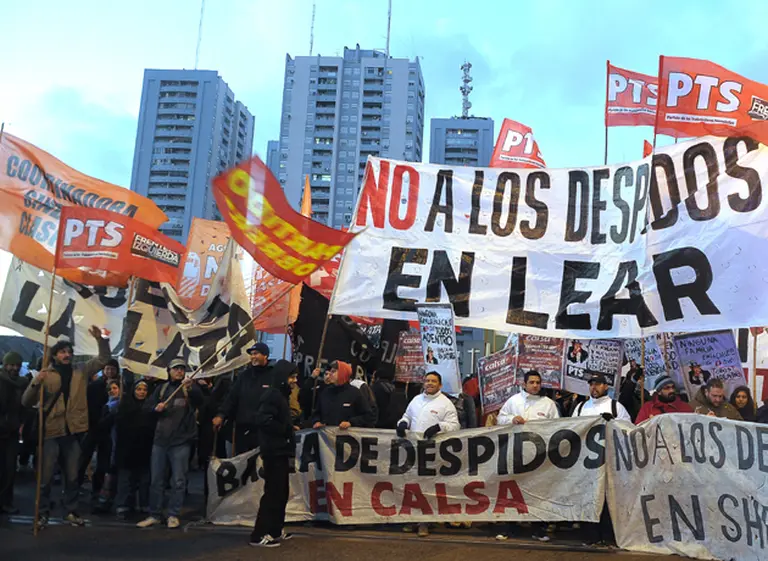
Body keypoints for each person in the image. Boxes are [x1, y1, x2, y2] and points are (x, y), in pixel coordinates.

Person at [21, 326, 111, 529]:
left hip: (73, 432)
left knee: (72, 477)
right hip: (51, 431)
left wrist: (101, 339)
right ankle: (42, 513)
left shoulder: (81, 370)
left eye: (69, 352)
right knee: (45, 478)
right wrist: (36, 382)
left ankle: (70, 511)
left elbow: (104, 359)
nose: (67, 355)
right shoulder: (46, 374)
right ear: (54, 355)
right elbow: (26, 402)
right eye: (62, 352)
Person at [137, 358, 203, 529]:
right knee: (156, 480)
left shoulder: (189, 389)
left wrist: (192, 388)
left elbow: (201, 402)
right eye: (176, 369)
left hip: (181, 442)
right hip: (160, 441)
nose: (179, 372)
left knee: (178, 481)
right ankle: (155, 514)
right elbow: (146, 409)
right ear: (169, 371)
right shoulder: (161, 388)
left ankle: (173, 514)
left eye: (182, 369)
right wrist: (155, 409)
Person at [496, 370, 559, 542]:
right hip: (514, 453)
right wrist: (511, 419)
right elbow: (499, 419)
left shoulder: (549, 404)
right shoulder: (513, 401)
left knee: (538, 491)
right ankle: (510, 527)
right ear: (524, 384)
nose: (535, 385)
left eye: (538, 382)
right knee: (513, 490)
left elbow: (557, 427)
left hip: (539, 456)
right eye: (531, 382)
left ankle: (539, 528)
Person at [397, 372, 460, 537]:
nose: (429, 383)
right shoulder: (416, 400)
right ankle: (412, 519)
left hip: (434, 451)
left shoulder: (446, 404)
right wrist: (403, 423)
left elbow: (455, 425)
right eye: (427, 380)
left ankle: (425, 521)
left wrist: (439, 427)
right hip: (414, 449)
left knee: (428, 486)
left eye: (433, 381)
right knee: (412, 484)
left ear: (440, 385)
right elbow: (407, 416)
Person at [249, 360, 298, 548]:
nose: (294, 381)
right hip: (274, 450)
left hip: (280, 449)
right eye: (291, 376)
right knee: (273, 493)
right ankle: (259, 533)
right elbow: (263, 419)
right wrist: (284, 430)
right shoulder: (273, 395)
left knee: (281, 492)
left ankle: (275, 529)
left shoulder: (280, 395)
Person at [213, 343, 274, 455]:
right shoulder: (244, 376)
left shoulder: (273, 375)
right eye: (251, 354)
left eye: (256, 353)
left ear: (265, 355)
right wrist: (221, 415)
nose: (253, 357)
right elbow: (231, 397)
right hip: (243, 431)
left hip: (265, 431)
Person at [79, 358, 121, 508]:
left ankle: (97, 491)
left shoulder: (120, 386)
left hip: (108, 432)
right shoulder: (95, 386)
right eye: (107, 369)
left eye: (112, 369)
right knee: (83, 460)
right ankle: (74, 488)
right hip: (93, 427)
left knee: (103, 464)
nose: (110, 372)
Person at [114, 380, 155, 520]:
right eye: (139, 389)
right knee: (126, 479)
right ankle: (123, 505)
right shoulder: (125, 405)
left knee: (144, 479)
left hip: (145, 447)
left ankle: (144, 504)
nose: (142, 392)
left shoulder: (151, 406)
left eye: (144, 389)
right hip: (127, 448)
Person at [0, 351, 29, 514]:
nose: (14, 368)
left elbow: (25, 406)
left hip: (12, 431)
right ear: (5, 365)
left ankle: (6, 501)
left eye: (17, 365)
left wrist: (22, 423)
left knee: (10, 469)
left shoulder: (23, 383)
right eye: (11, 365)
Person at [311, 361, 376, 430]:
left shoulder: (354, 393)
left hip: (347, 437)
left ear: (343, 373)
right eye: (330, 371)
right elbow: (317, 412)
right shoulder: (326, 392)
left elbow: (368, 415)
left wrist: (351, 423)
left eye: (333, 371)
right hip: (326, 437)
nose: (330, 374)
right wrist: (316, 421)